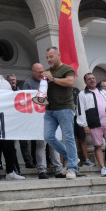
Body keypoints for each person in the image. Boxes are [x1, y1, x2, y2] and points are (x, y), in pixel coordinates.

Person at [42, 47, 78, 179]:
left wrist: (52, 79)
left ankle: (72, 168)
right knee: (48, 136)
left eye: (51, 56)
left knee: (68, 137)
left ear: (59, 55)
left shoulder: (67, 68)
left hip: (65, 108)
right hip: (50, 109)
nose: (49, 59)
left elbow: (70, 82)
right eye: (47, 57)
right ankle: (72, 157)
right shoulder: (48, 71)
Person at [23, 63, 63, 179]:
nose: (41, 73)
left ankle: (58, 170)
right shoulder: (28, 83)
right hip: (38, 118)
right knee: (41, 145)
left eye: (42, 71)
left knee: (54, 144)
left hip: (51, 115)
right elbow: (26, 99)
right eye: (39, 72)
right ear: (33, 72)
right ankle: (42, 170)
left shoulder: (48, 81)